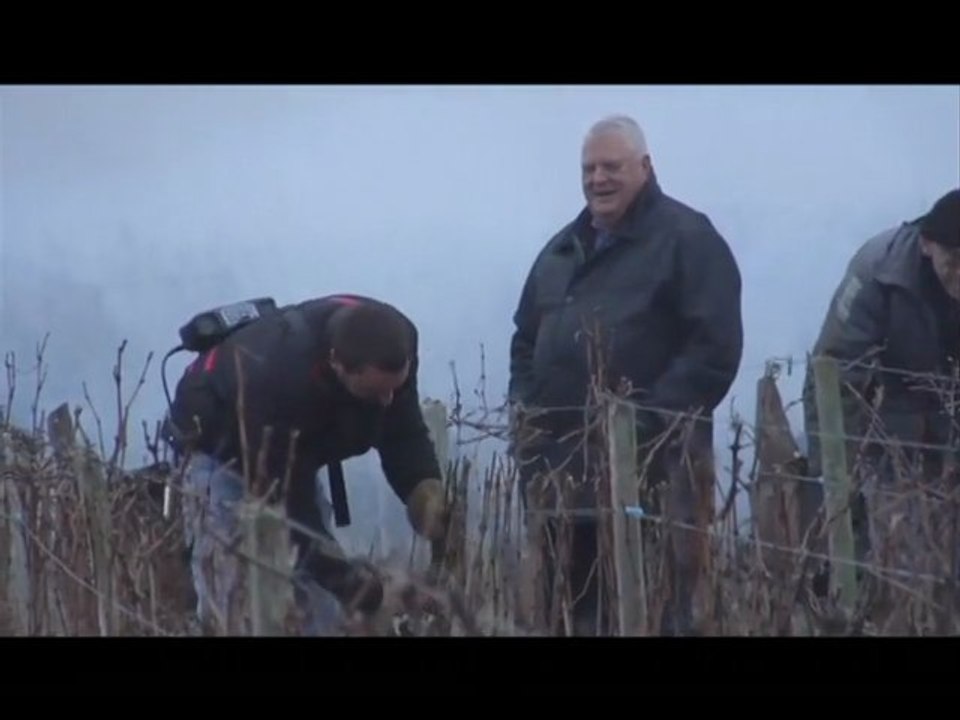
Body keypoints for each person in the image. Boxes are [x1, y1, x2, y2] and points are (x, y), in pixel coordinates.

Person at [508, 115, 743, 635]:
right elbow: (525, 339)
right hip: (560, 478)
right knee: (568, 617)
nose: (597, 179)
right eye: (588, 169)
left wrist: (644, 424)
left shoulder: (688, 239)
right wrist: (524, 412)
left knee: (654, 613)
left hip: (656, 479)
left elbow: (714, 351)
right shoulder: (561, 249)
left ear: (645, 166)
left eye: (611, 166)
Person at [165, 293, 450, 634]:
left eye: (394, 388)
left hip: (294, 446)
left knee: (319, 603)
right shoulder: (276, 382)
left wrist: (424, 491)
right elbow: (294, 515)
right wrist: (361, 589)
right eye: (374, 393)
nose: (386, 400)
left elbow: (401, 429)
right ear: (336, 364)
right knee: (233, 588)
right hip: (219, 444)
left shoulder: (398, 340)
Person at [802, 189, 960, 581]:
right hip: (892, 433)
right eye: (954, 261)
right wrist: (838, 477)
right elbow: (835, 374)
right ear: (927, 245)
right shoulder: (878, 269)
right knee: (900, 563)